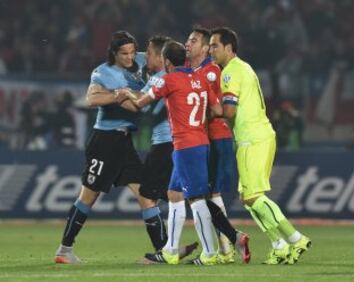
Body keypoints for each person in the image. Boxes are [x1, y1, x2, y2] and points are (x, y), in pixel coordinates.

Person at [123, 41, 234, 266]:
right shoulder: (201, 78)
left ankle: (210, 254)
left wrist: (123, 92)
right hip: (201, 142)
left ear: (166, 61)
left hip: (185, 145)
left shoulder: (168, 79)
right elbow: (217, 110)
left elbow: (140, 104)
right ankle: (171, 251)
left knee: (196, 199)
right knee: (174, 193)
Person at [209, 27, 311, 265]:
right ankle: (279, 245)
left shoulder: (230, 72)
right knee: (248, 197)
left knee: (254, 196)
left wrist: (205, 112)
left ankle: (296, 238)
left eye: (215, 46)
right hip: (258, 135)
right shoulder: (244, 67)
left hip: (252, 138)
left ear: (228, 47)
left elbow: (229, 110)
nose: (211, 50)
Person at [54, 31, 149, 264]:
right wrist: (119, 94)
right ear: (114, 54)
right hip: (104, 140)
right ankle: (64, 250)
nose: (129, 58)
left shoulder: (144, 59)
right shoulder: (103, 72)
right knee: (88, 195)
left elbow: (164, 55)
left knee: (145, 194)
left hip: (125, 141)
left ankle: (164, 251)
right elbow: (92, 99)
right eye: (123, 54)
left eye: (131, 52)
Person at [185, 26, 249, 264]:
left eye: (213, 45)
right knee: (210, 193)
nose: (212, 50)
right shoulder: (202, 70)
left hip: (216, 137)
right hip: (210, 138)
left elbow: (219, 108)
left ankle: (227, 246)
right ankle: (226, 247)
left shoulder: (211, 71)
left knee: (207, 193)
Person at [136, 35, 198, 259]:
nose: (147, 57)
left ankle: (164, 249)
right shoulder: (185, 78)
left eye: (150, 53)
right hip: (184, 143)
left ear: (163, 59)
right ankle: (227, 237)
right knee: (186, 195)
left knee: (146, 195)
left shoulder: (160, 80)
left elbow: (140, 107)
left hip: (164, 145)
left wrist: (118, 94)